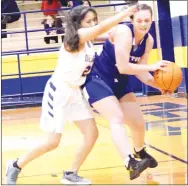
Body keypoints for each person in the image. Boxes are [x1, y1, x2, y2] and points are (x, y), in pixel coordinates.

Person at [5, 5, 144, 185]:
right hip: (59, 92)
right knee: (52, 142)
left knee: (91, 133)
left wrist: (126, 31)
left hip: (76, 93)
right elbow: (102, 29)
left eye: (95, 20)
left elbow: (110, 34)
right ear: (78, 23)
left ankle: (71, 173)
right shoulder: (75, 38)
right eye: (89, 21)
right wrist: (123, 14)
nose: (94, 24)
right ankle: (16, 165)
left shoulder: (89, 40)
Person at [83, 3, 170, 176]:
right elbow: (123, 67)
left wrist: (160, 85)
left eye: (147, 20)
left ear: (152, 21)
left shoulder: (148, 40)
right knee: (117, 117)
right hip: (99, 79)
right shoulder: (124, 32)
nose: (143, 24)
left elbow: (142, 73)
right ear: (132, 20)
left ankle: (139, 150)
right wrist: (153, 66)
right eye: (139, 20)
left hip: (120, 82)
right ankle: (129, 162)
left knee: (138, 123)